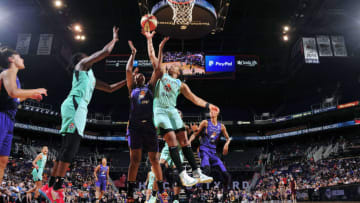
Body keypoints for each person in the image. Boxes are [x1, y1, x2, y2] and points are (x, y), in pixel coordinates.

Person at [40, 26, 126, 203]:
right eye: (87, 56)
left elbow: (110, 88)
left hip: (79, 108)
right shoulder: (81, 66)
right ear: (80, 59)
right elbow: (104, 52)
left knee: (67, 148)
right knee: (69, 149)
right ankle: (56, 188)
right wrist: (115, 40)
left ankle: (49, 186)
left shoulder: (91, 77)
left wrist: (128, 78)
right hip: (74, 106)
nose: (89, 57)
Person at [144, 31, 218, 187]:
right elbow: (152, 57)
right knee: (171, 138)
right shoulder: (162, 75)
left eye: (176, 65)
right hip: (160, 110)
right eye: (172, 64)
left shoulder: (181, 85)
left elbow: (194, 99)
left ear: (179, 72)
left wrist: (208, 105)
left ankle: (197, 172)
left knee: (184, 141)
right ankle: (183, 174)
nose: (174, 64)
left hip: (172, 110)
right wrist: (152, 41)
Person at [125, 37, 169, 203]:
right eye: (138, 75)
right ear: (135, 80)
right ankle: (130, 193)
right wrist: (133, 53)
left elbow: (157, 69)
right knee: (134, 160)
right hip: (135, 127)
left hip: (149, 126)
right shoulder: (132, 90)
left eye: (142, 75)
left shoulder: (150, 87)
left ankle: (162, 189)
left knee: (154, 160)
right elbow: (128, 71)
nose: (139, 75)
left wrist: (159, 48)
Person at [0, 47, 47, 185]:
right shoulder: (7, 72)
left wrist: (30, 96)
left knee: (2, 161)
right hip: (1, 116)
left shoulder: (15, 78)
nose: (23, 59)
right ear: (11, 59)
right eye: (19, 57)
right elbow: (14, 93)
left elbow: (15, 99)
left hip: (9, 120)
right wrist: (36, 90)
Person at [189, 110, 231, 193]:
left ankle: (225, 193)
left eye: (214, 111)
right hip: (204, 150)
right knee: (207, 170)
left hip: (213, 153)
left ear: (217, 113)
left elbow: (228, 138)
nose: (211, 112)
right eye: (210, 111)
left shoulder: (221, 126)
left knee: (226, 175)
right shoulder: (205, 122)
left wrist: (227, 144)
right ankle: (196, 187)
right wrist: (189, 141)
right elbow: (195, 134)